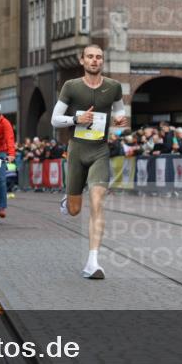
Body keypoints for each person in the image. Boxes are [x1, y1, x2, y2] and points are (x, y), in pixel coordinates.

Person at [51, 44, 127, 279]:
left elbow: (119, 111)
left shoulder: (113, 87)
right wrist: (77, 118)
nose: (95, 61)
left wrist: (121, 120)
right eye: (90, 57)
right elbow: (55, 119)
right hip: (76, 151)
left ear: (102, 61)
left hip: (100, 151)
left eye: (99, 57)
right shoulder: (71, 86)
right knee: (75, 210)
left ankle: (93, 262)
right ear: (82, 60)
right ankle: (68, 198)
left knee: (97, 202)